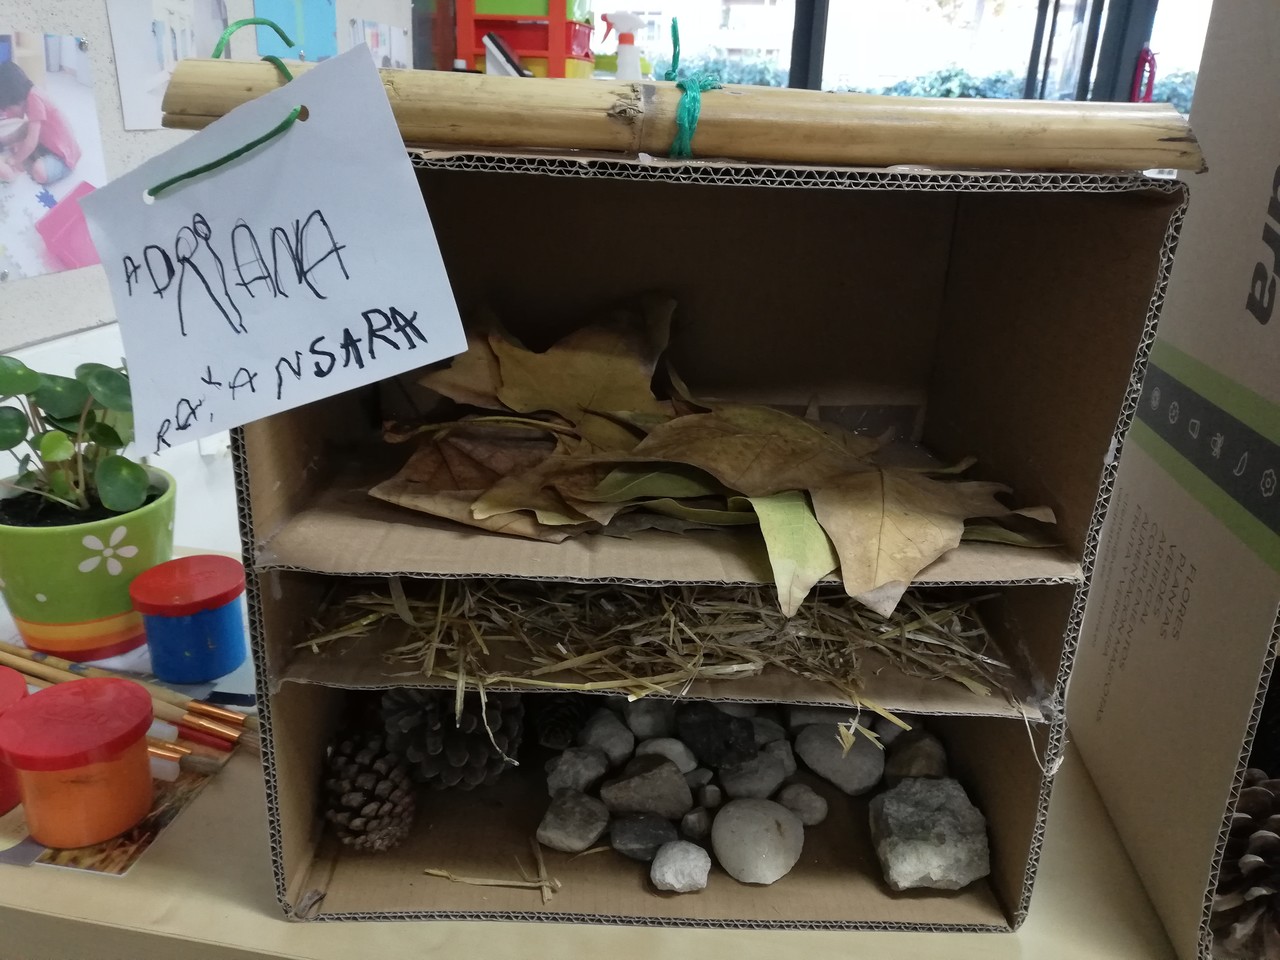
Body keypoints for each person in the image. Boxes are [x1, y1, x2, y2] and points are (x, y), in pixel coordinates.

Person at [0, 60, 81, 186]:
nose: (8, 114)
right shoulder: (29, 96)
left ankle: (43, 161)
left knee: (39, 172)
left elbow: (31, 142)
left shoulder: (35, 98)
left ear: (16, 98)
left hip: (63, 156)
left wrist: (15, 160)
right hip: (47, 142)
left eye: (8, 109)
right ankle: (3, 141)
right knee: (25, 130)